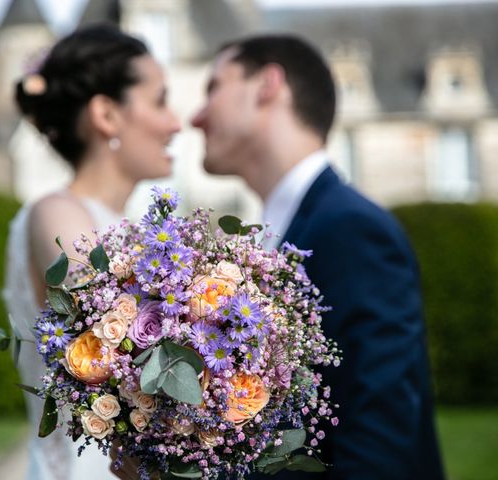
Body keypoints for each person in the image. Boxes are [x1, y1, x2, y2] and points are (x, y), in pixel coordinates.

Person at [190, 34, 444, 479]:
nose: (196, 116)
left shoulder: (352, 231)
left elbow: (377, 450)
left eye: (213, 87)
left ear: (267, 85)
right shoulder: (275, 236)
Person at [2, 24, 180, 480]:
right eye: (160, 100)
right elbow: (112, 341)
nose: (175, 123)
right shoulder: (55, 217)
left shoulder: (142, 230)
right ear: (106, 114)